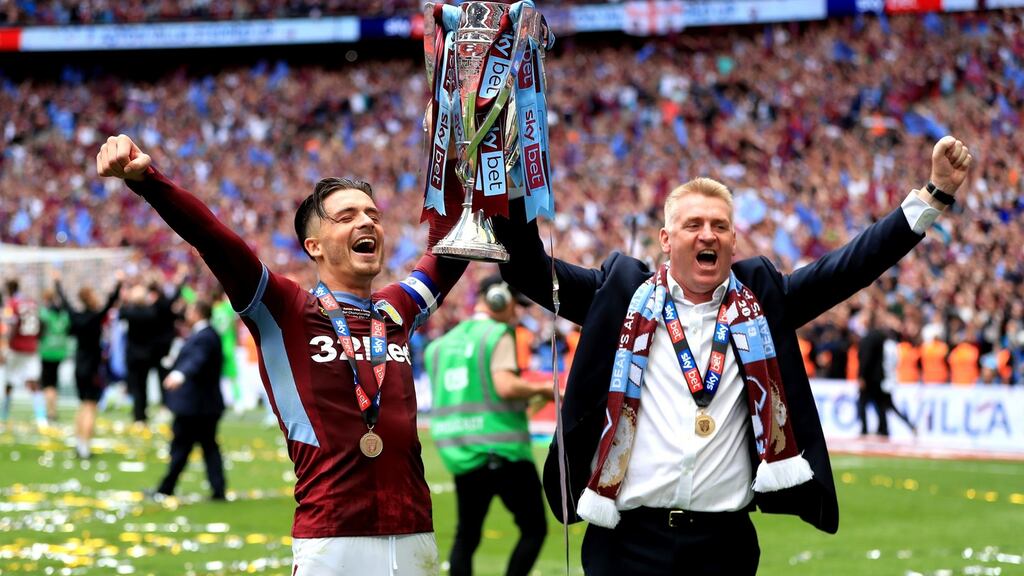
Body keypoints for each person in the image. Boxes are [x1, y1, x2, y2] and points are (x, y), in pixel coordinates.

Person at [492, 136, 972, 575]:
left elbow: (847, 268)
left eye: (720, 226)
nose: (708, 235)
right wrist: (506, 173)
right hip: (624, 544)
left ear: (733, 240)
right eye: (693, 224)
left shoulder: (760, 303)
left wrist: (933, 196)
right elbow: (529, 269)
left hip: (723, 547)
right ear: (666, 240)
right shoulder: (618, 296)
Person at [97, 133, 467, 576]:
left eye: (373, 214)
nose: (367, 222)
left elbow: (451, 245)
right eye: (346, 216)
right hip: (331, 539)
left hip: (415, 535)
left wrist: (452, 148)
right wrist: (148, 180)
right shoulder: (286, 309)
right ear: (313, 246)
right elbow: (214, 239)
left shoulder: (396, 310)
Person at [425, 275, 552, 576]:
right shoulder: (497, 334)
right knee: (534, 529)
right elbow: (505, 386)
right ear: (499, 298)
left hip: (460, 454)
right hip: (504, 452)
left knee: (466, 536)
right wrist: (545, 389)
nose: (516, 312)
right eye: (515, 305)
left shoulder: (440, 346)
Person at [154, 300, 226, 500]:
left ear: (198, 312)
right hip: (203, 405)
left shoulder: (205, 336)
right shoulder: (204, 334)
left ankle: (166, 488)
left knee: (183, 448)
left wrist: (180, 374)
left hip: (196, 406)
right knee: (207, 447)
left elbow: (197, 360)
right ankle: (217, 490)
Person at [55, 274, 122, 459]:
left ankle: (79, 443)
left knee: (82, 405)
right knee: (90, 407)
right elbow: (111, 302)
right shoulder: (96, 317)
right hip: (93, 367)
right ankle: (85, 446)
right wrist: (118, 283)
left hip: (79, 365)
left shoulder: (76, 317)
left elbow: (65, 302)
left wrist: (58, 283)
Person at [2, 279, 45, 429]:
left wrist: (6, 344)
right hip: (32, 347)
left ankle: (3, 415)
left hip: (17, 348)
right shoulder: (31, 303)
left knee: (9, 383)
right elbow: (41, 323)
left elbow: (12, 326)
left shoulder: (12, 304)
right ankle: (41, 418)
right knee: (34, 383)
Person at [38, 286, 72, 424]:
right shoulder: (64, 315)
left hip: (47, 351)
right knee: (54, 381)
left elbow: (40, 332)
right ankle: (53, 411)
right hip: (60, 350)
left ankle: (49, 412)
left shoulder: (44, 313)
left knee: (47, 383)